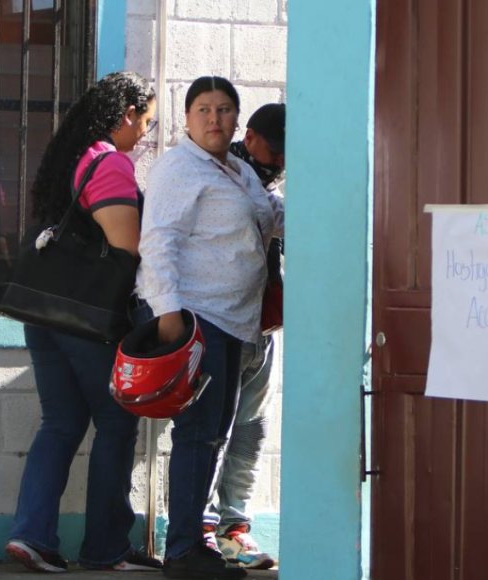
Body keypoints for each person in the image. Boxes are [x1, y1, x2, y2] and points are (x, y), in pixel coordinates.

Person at [4, 71, 163, 573]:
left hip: (44, 311)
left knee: (63, 421)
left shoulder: (71, 157)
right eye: (146, 124)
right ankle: (105, 548)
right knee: (116, 419)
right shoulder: (110, 163)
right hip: (85, 315)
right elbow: (126, 244)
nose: (145, 137)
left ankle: (32, 536)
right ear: (126, 115)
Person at [136, 76, 285, 580]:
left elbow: (275, 216)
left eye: (224, 110)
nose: (215, 119)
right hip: (198, 321)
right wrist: (169, 314)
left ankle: (192, 547)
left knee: (213, 437)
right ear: (187, 118)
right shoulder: (178, 168)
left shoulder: (239, 172)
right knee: (198, 436)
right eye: (204, 109)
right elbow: (158, 241)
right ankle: (182, 552)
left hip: (234, 322)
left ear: (237, 120)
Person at [204, 103, 286, 570]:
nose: (277, 164)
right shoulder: (223, 175)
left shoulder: (267, 186)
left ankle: (234, 528)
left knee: (252, 429)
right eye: (273, 152)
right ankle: (199, 528)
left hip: (262, 326)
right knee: (212, 430)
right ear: (249, 136)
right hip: (221, 323)